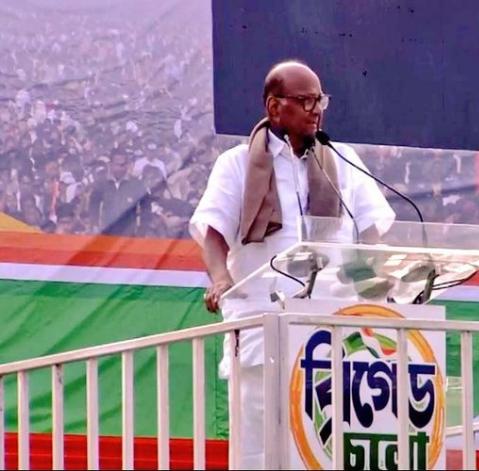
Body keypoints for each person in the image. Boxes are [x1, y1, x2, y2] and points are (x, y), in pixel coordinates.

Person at [189, 60, 395, 469]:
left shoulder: (344, 161)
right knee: (262, 450)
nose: (316, 110)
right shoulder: (236, 164)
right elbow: (214, 234)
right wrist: (221, 278)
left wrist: (376, 277)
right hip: (262, 327)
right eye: (305, 101)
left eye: (320, 100)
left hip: (337, 331)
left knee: (330, 449)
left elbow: (371, 231)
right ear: (274, 107)